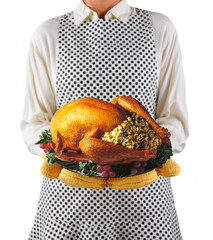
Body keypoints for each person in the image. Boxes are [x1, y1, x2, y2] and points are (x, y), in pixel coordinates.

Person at [20, 0, 189, 239]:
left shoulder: (158, 27)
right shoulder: (48, 33)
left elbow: (174, 119)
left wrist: (143, 150)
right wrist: (71, 156)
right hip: (68, 202)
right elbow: (34, 122)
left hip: (144, 200)